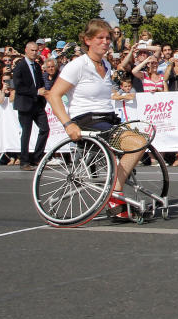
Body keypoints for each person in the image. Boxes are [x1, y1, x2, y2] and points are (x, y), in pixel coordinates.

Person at [47, 19, 149, 220]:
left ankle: (115, 191)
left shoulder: (106, 65)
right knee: (137, 142)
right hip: (86, 120)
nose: (105, 42)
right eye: (100, 38)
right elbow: (54, 95)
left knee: (142, 137)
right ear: (87, 40)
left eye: (108, 38)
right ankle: (115, 194)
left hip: (107, 118)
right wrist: (68, 124)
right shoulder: (77, 66)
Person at [11, 41, 49, 170]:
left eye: (36, 50)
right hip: (25, 104)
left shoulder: (37, 66)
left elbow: (40, 83)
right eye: (32, 50)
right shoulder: (20, 66)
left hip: (37, 104)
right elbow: (19, 87)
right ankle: (24, 161)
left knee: (45, 129)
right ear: (26, 51)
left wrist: (42, 94)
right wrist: (36, 92)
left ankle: (36, 158)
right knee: (26, 133)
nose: (34, 53)